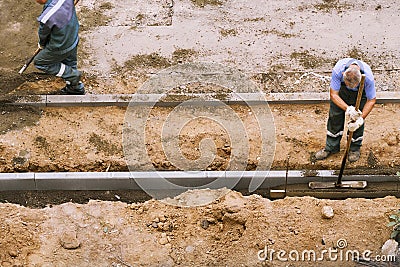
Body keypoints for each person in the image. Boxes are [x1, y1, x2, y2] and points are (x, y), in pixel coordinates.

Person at [315, 58, 376, 162]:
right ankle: (331, 147)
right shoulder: (338, 70)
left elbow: (371, 100)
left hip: (360, 95)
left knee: (356, 123)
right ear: (343, 74)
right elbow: (334, 94)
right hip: (341, 94)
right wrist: (348, 109)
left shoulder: (368, 78)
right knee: (335, 118)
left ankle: (354, 148)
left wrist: (360, 119)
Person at [33, 0, 85, 95]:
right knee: (70, 64)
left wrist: (42, 44)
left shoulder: (47, 16)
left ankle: (72, 75)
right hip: (73, 38)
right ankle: (76, 88)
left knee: (40, 63)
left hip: (60, 46)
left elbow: (43, 34)